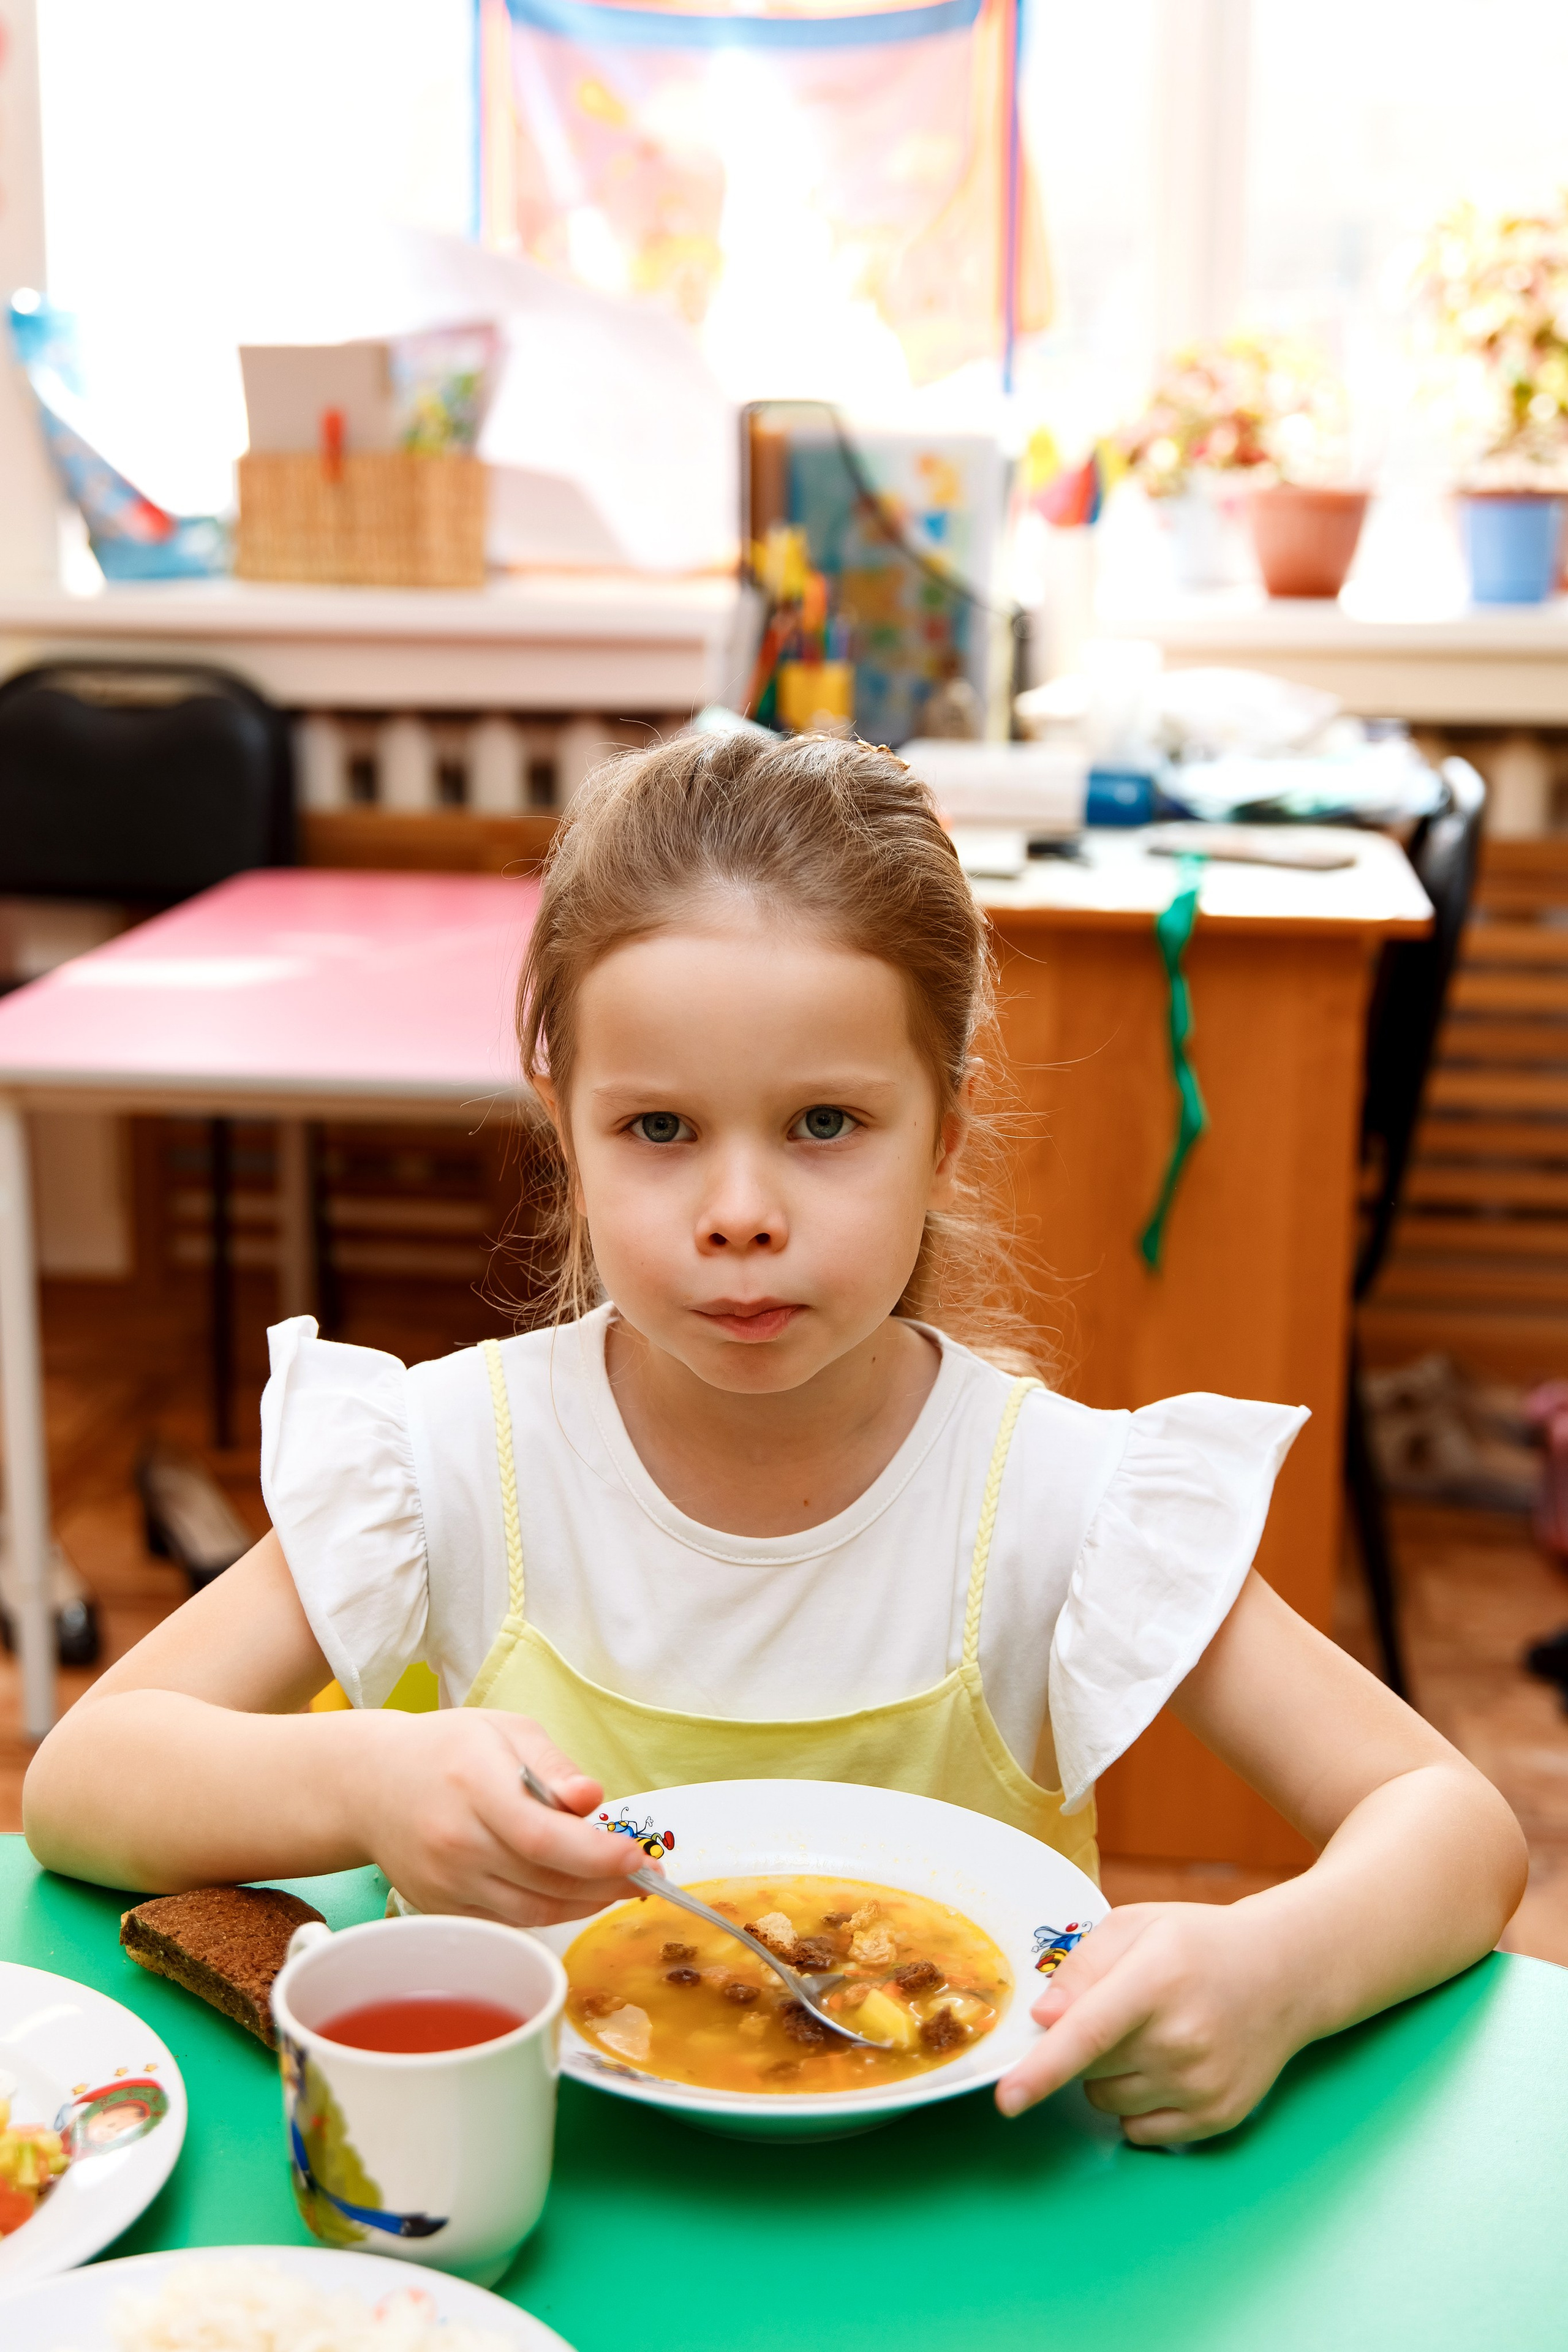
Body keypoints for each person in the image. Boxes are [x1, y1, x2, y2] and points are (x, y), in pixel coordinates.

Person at [24, 732, 1525, 2144]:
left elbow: (1450, 1828)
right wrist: (363, 1782)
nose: (740, 1211)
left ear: (942, 1130)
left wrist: (1276, 1968)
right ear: (567, 1129)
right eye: (659, 1130)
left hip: (959, 2231)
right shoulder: (443, 1463)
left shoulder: (1060, 1503)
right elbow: (83, 1785)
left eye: (822, 1124)